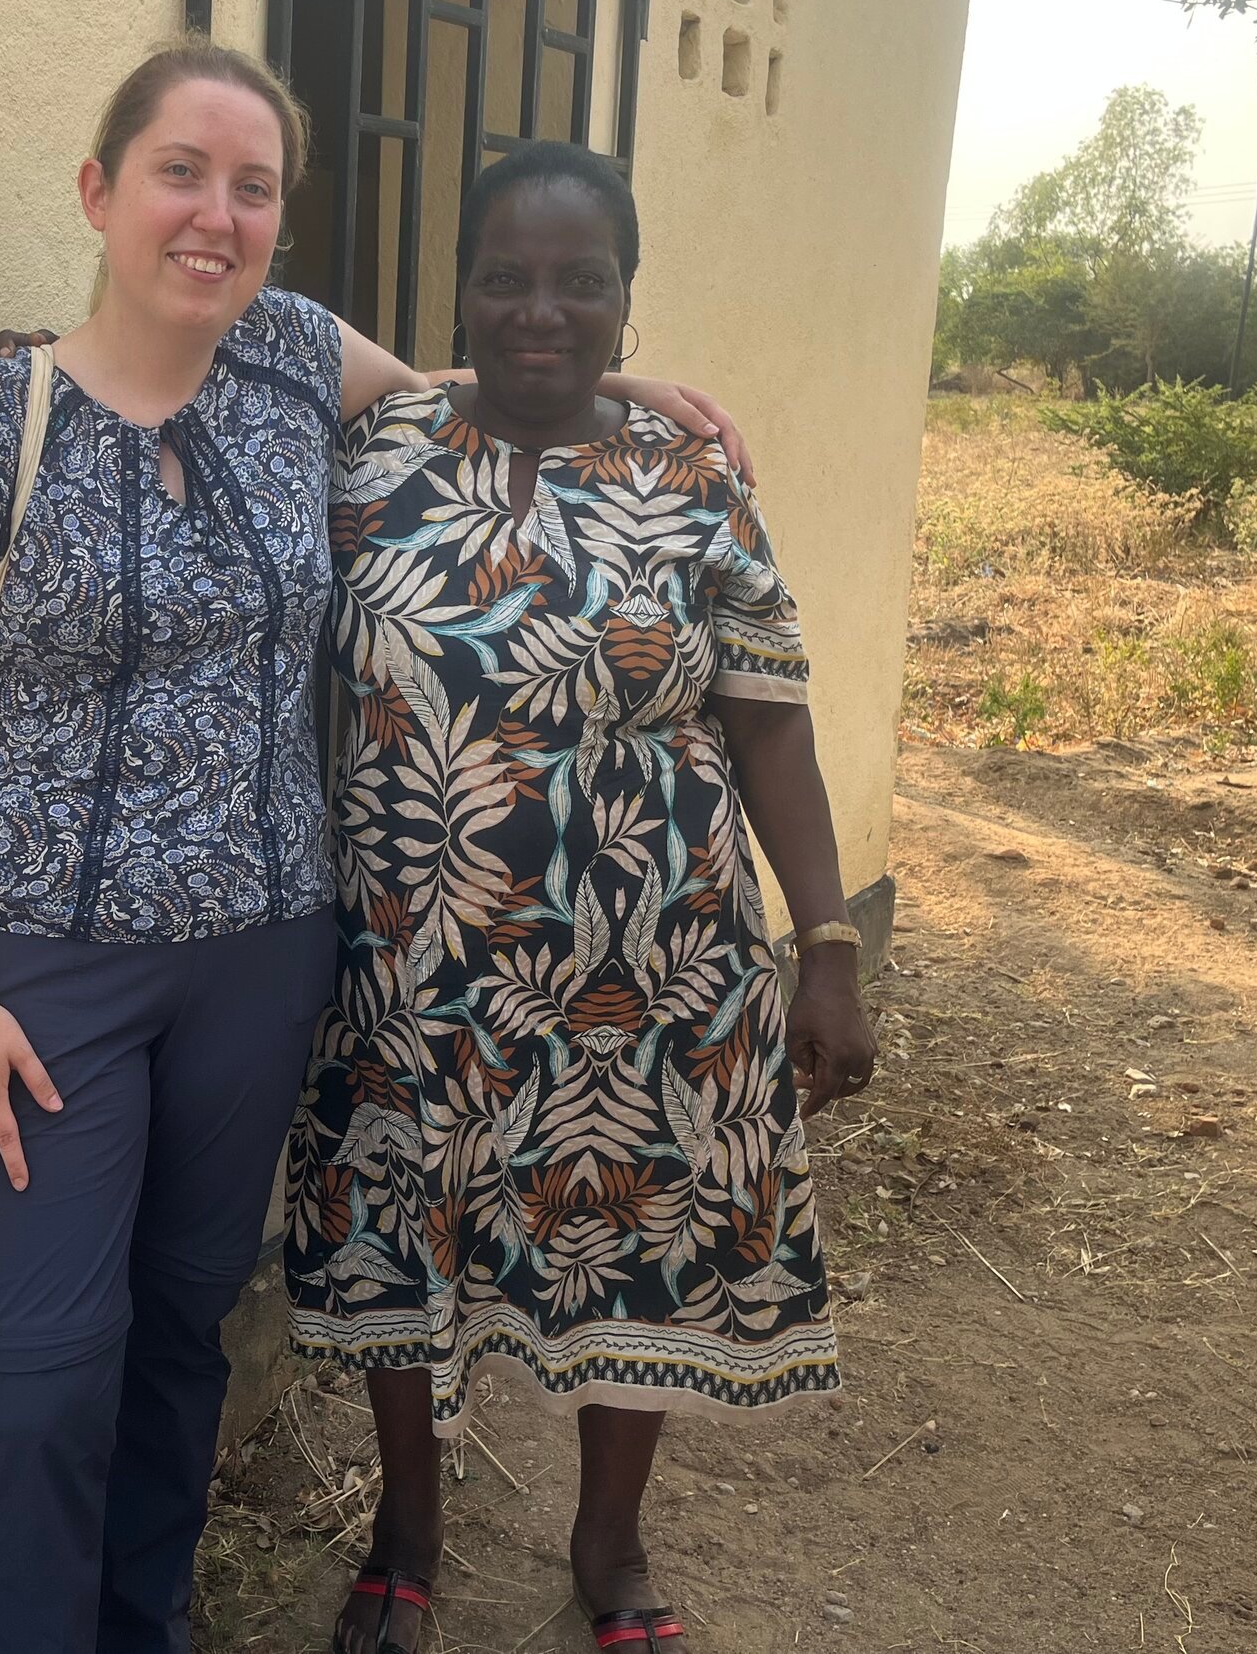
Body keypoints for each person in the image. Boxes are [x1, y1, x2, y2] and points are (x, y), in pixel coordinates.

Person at [0, 41, 751, 1654]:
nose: (215, 214)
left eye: (252, 187)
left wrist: (627, 390)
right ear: (99, 192)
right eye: (180, 174)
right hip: (38, 966)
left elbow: (477, 393)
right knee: (40, 1375)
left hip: (267, 959)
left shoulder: (283, 357)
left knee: (186, 1333)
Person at [284, 142, 880, 1654]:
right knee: (398, 1239)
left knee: (638, 1243)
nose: (539, 309)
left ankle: (609, 1547)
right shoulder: (373, 451)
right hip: (408, 966)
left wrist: (825, 942)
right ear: (461, 290)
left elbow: (769, 715)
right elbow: (208, 339)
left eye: (579, 282)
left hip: (654, 958)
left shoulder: (695, 479)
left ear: (627, 301)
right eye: (507, 277)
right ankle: (404, 1534)